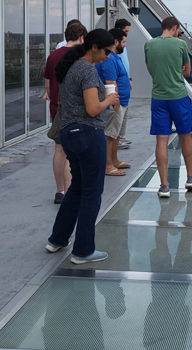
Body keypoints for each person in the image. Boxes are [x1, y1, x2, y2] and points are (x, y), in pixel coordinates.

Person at [46, 29, 119, 264]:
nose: (108, 56)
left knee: (77, 188)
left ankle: (57, 239)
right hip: (88, 133)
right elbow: (92, 109)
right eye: (107, 51)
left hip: (69, 133)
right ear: (95, 47)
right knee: (91, 193)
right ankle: (83, 250)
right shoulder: (87, 70)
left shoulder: (71, 66)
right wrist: (108, 100)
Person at [145, 16, 192, 198]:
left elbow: (150, 69)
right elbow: (188, 71)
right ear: (175, 28)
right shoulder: (180, 45)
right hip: (178, 96)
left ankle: (164, 185)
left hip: (158, 97)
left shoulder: (149, 45)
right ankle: (190, 177)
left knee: (161, 140)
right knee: (185, 137)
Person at [43, 22, 88, 203]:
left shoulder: (53, 56)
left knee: (59, 149)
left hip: (56, 107)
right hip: (74, 109)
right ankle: (71, 192)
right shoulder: (79, 57)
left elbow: (48, 83)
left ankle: (59, 191)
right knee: (72, 152)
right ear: (81, 37)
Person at [96, 28, 131, 176]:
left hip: (122, 101)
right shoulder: (109, 60)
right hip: (115, 102)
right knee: (109, 134)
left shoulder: (115, 57)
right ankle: (107, 165)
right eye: (123, 42)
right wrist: (115, 101)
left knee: (116, 134)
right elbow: (110, 83)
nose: (124, 45)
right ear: (115, 42)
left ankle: (114, 160)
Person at [115, 18, 132, 149]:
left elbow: (125, 63)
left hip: (125, 81)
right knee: (118, 114)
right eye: (125, 32)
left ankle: (120, 136)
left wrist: (129, 79)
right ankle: (116, 139)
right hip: (119, 86)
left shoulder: (123, 46)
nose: (127, 34)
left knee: (124, 113)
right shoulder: (114, 52)